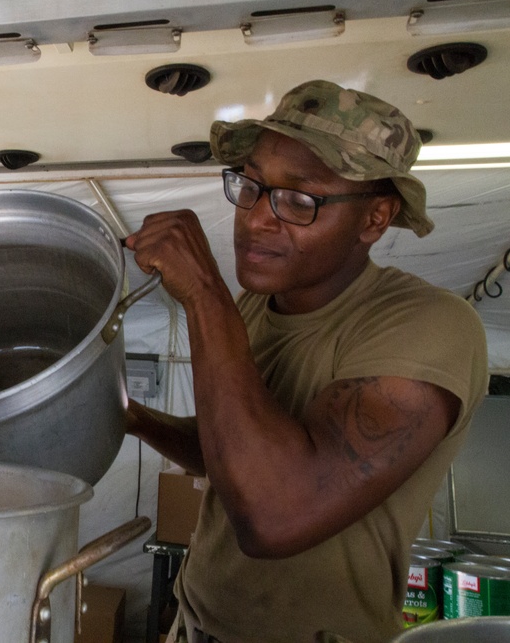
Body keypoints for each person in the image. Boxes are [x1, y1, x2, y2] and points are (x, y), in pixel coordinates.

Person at [124, 81, 488, 643]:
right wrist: (132, 416)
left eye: (300, 199)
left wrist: (203, 292)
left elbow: (274, 515)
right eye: (252, 185)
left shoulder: (427, 325)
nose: (257, 219)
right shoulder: (254, 308)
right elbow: (231, 454)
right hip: (194, 624)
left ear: (375, 218)